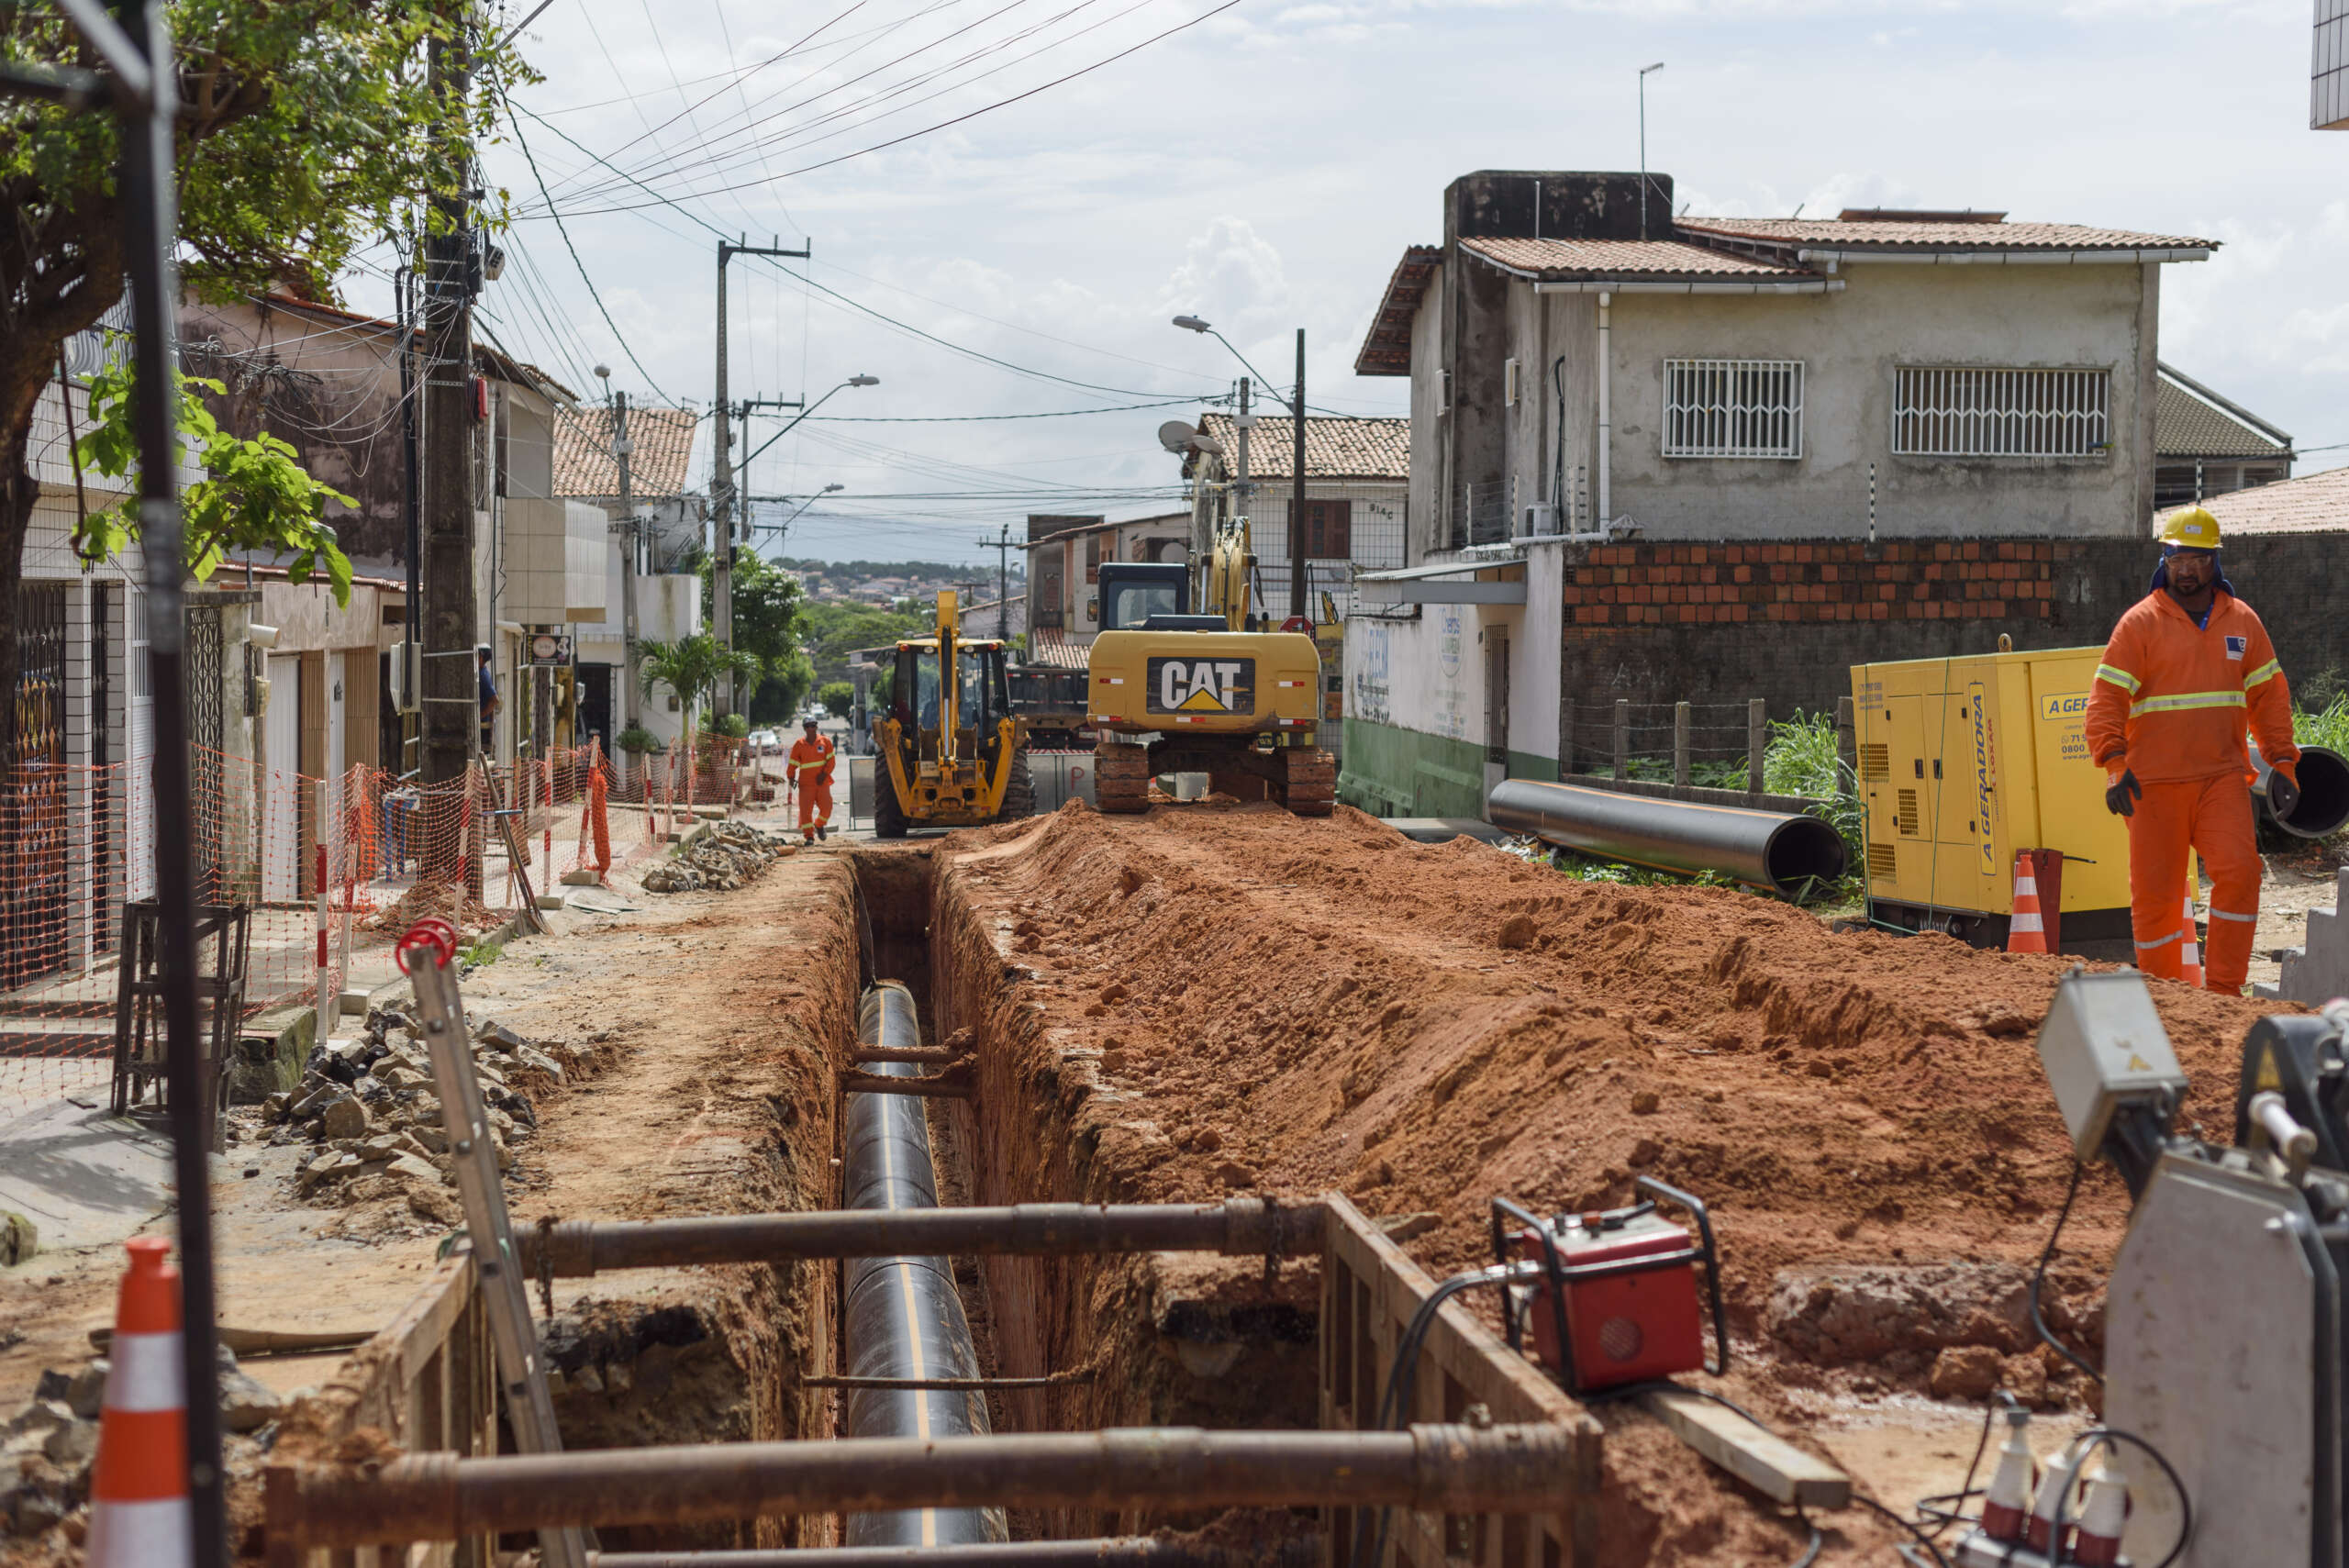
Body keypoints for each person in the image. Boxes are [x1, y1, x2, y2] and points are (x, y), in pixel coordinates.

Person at [2085, 505, 2299, 993]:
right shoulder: (2140, 624)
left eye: (2199, 558)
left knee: (2240, 874)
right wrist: (2115, 765)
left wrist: (2283, 762)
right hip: (2152, 784)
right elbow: (2107, 699)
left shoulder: (2242, 622)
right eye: (2178, 556)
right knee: (2157, 898)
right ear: (2165, 558)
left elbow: (2269, 695)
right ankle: (2166, 1001)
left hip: (2221, 778)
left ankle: (2223, 993)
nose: (2187, 568)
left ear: (2214, 563)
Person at [789, 717, 836, 843]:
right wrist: (791, 776)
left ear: (816, 727)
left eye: (813, 725)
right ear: (804, 728)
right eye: (808, 726)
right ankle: (809, 837)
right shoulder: (799, 745)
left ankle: (819, 825)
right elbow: (793, 763)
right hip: (806, 784)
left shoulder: (825, 742)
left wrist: (824, 774)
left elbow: (831, 761)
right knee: (805, 812)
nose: (811, 728)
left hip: (822, 782)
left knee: (827, 808)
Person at [476, 644, 499, 758]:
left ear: (480, 657)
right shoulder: (480, 673)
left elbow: (495, 700)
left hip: (482, 727)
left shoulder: (483, 675)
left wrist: (479, 716)